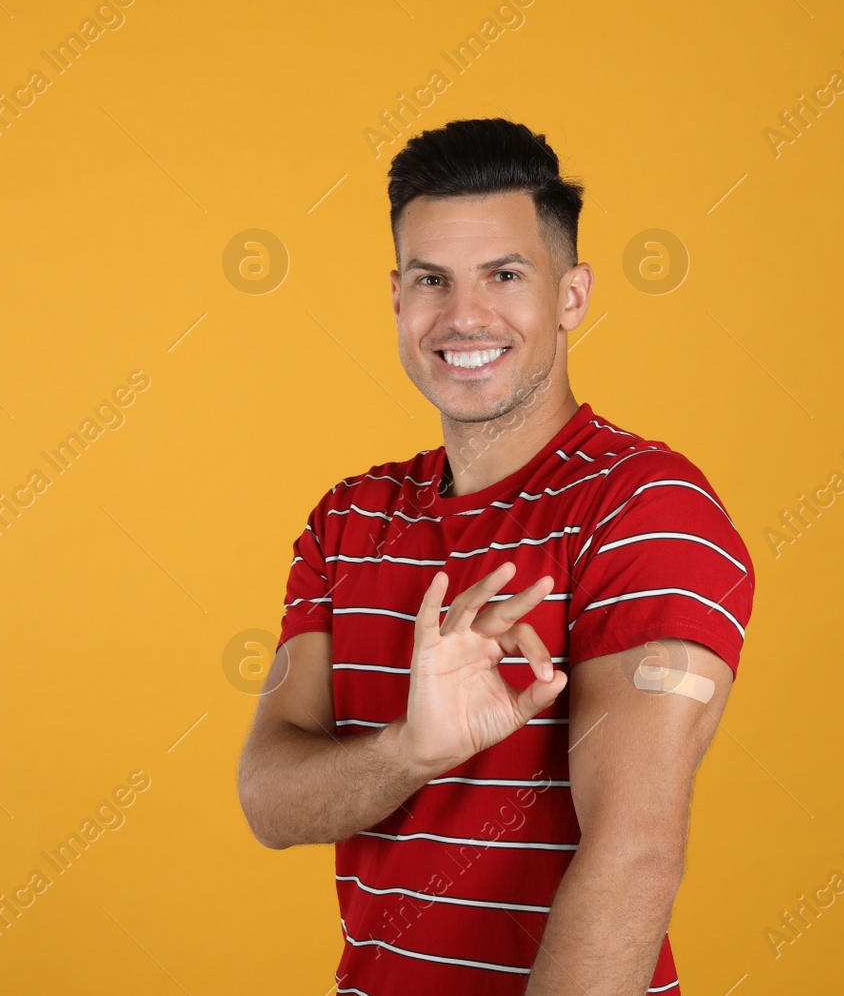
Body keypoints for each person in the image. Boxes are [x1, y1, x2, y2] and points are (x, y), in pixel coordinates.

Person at [237, 117, 755, 994]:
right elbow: (269, 800)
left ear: (572, 296)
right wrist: (411, 750)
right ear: (397, 298)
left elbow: (635, 854)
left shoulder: (644, 508)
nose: (464, 316)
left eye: (505, 275)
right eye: (432, 279)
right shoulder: (349, 520)